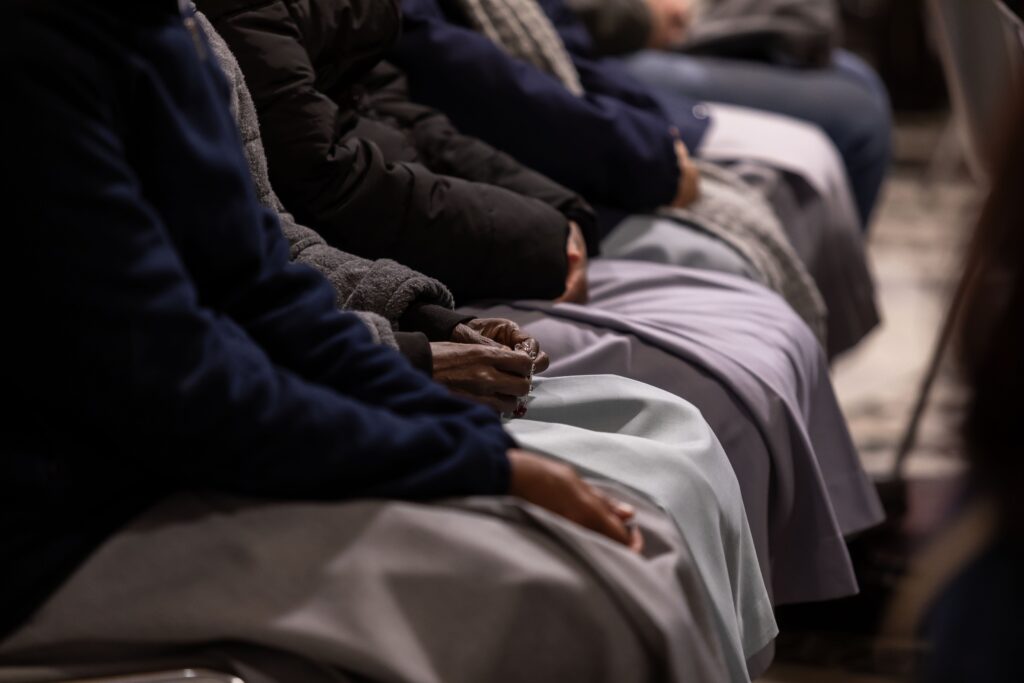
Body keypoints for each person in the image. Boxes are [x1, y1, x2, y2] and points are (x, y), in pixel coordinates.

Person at [0, 2, 741, 680]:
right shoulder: (43, 46)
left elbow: (262, 286)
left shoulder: (154, 27)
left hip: (152, 455)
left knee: (618, 533)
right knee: (567, 592)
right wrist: (464, 451)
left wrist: (478, 444)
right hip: (64, 527)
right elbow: (175, 381)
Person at [201, 0, 885, 613]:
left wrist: (532, 233)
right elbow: (279, 230)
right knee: (687, 435)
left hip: (378, 285)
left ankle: (816, 566)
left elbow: (293, 214)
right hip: (237, 426)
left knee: (718, 382)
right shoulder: (153, 44)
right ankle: (804, 588)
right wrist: (417, 347)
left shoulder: (162, 41)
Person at [391, 0, 880, 356]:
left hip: (559, 128)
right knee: (810, 163)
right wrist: (634, 161)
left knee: (831, 123)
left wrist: (646, 133)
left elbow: (558, 38)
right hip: (489, 187)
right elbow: (455, 90)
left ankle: (815, 396)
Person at [567, 0, 892, 227]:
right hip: (597, 47)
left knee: (859, 78)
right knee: (856, 116)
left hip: (622, 27)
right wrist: (644, 15)